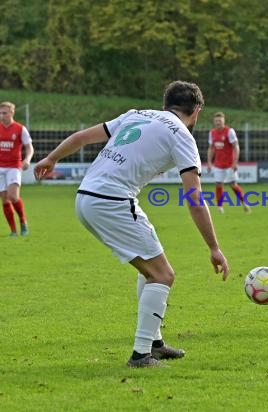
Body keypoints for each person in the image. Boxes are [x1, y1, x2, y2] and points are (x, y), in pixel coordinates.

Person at [34, 81, 229, 368]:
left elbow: (82, 137)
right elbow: (194, 196)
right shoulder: (182, 136)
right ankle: (141, 355)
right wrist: (214, 247)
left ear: (166, 104)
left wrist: (52, 158)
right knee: (162, 275)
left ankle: (154, 342)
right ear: (196, 111)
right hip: (111, 201)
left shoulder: (137, 114)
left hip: (87, 196)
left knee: (151, 265)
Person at [0, 101, 34, 237]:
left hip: (14, 166)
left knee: (13, 197)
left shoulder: (20, 129)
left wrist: (27, 159)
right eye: (0, 112)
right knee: (4, 199)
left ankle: (23, 221)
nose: (1, 115)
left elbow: (29, 147)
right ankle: (13, 231)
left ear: (12, 112)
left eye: (4, 113)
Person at [207, 112, 250, 214]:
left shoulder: (229, 131)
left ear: (223, 121)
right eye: (216, 121)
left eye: (220, 120)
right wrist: (209, 162)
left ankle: (244, 203)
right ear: (214, 122)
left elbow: (236, 146)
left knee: (233, 185)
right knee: (218, 184)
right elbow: (211, 148)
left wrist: (235, 162)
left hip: (230, 164)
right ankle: (220, 207)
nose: (218, 122)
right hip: (218, 164)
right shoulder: (212, 133)